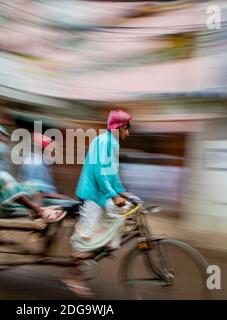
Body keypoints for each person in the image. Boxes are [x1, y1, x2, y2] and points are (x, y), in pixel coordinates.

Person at [61, 110, 143, 298]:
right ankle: (73, 277)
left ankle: (105, 245)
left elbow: (112, 175)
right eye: (127, 128)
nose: (128, 133)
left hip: (101, 193)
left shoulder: (111, 142)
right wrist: (114, 196)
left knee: (124, 213)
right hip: (92, 194)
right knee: (86, 236)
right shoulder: (106, 141)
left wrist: (123, 193)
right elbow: (101, 173)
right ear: (120, 127)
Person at [0, 119, 64, 222]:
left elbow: (11, 186)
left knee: (35, 183)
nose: (0, 141)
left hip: (3, 202)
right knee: (2, 176)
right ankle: (39, 211)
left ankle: (36, 210)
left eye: (0, 139)